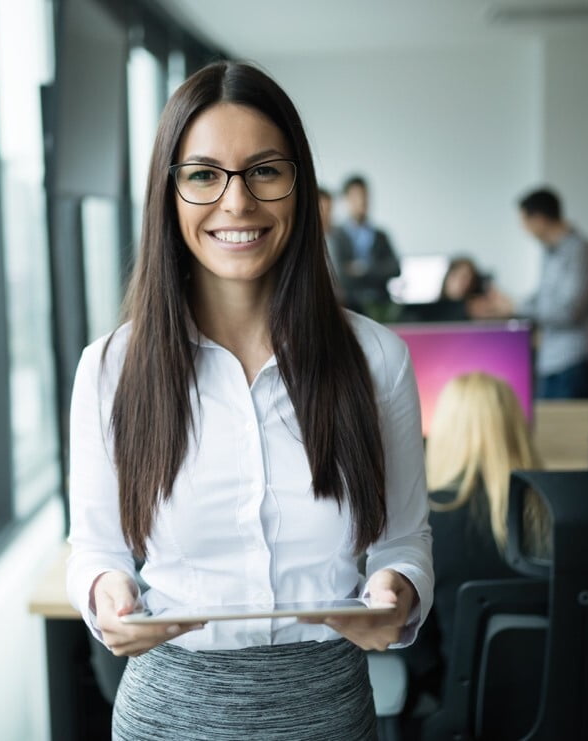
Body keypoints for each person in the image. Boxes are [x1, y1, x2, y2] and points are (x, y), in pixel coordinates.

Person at [66, 61, 433, 740]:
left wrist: (394, 592)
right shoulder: (111, 369)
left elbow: (402, 542)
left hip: (327, 711)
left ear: (300, 186)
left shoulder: (376, 359)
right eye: (204, 174)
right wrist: (107, 596)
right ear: (168, 194)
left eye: (265, 170)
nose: (237, 203)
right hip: (168, 714)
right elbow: (96, 550)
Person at [397, 372, 549, 709]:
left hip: (464, 712)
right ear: (516, 430)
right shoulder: (560, 514)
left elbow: (415, 648)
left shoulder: (422, 522)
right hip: (566, 709)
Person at [515, 187, 588, 399]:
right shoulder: (550, 253)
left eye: (524, 222)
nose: (523, 229)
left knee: (564, 430)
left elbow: (568, 312)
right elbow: (541, 298)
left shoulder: (580, 252)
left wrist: (517, 307)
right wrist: (511, 304)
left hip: (575, 360)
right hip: (553, 360)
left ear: (539, 219)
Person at [330, 174, 401, 312]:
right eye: (356, 196)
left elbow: (395, 268)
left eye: (365, 195)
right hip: (348, 305)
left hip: (380, 305)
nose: (362, 201)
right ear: (346, 199)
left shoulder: (381, 235)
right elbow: (339, 274)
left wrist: (363, 269)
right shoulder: (336, 235)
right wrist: (378, 271)